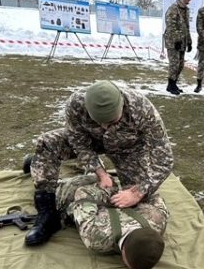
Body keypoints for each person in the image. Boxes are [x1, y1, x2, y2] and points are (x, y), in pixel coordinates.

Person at [24, 80, 174, 246]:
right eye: (98, 122)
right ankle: (48, 214)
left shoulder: (142, 109)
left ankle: (37, 165)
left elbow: (164, 159)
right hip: (92, 142)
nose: (105, 127)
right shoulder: (76, 104)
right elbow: (78, 142)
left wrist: (138, 192)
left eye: (111, 122)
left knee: (137, 195)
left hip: (127, 149)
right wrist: (100, 172)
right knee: (48, 143)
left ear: (122, 107)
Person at [53, 174, 168, 269]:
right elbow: (82, 193)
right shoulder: (97, 237)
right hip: (108, 188)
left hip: (97, 192)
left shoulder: (159, 220)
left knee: (68, 189)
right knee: (57, 192)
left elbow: (84, 195)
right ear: (123, 252)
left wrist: (115, 194)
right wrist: (130, 195)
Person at [164, 0, 193, 95]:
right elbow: (170, 26)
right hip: (173, 42)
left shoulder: (186, 10)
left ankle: (174, 83)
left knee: (180, 64)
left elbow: (187, 27)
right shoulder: (173, 9)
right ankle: (170, 85)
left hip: (182, 42)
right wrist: (176, 40)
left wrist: (189, 41)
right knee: (174, 64)